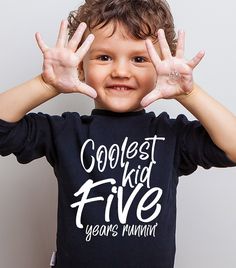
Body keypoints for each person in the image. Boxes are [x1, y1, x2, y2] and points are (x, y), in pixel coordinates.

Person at [0, 0, 235, 267]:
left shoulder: (171, 135)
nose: (121, 71)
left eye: (139, 59)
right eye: (104, 57)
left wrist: (189, 93)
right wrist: (45, 84)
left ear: (159, 65)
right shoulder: (64, 132)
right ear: (80, 66)